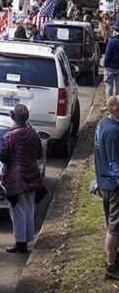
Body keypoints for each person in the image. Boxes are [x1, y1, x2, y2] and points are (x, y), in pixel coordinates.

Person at [0, 104, 44, 254]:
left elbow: (3, 157)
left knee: (17, 210)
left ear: (13, 118)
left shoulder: (9, 136)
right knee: (29, 207)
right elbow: (39, 154)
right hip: (32, 174)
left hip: (16, 177)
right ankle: (28, 237)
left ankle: (20, 242)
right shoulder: (34, 134)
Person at [94, 96, 119, 279]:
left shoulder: (103, 123)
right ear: (115, 110)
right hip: (113, 186)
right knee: (115, 228)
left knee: (112, 225)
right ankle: (111, 267)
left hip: (103, 183)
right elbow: (114, 164)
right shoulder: (113, 132)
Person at [105, 23, 119, 99]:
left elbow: (107, 55)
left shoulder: (111, 42)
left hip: (110, 67)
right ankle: (117, 104)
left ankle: (109, 103)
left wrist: (105, 65)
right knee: (118, 87)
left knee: (109, 86)